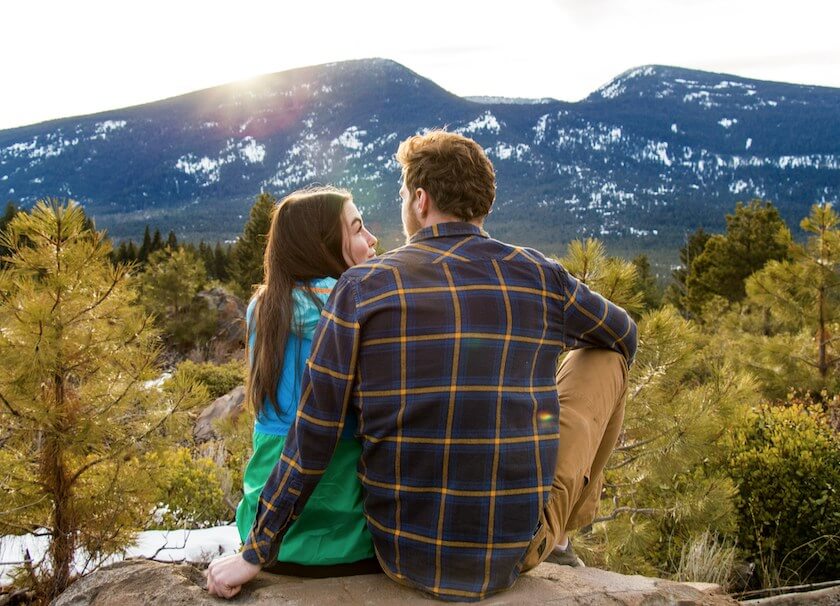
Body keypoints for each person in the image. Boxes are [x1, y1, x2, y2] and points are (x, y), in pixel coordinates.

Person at [207, 132, 637, 602]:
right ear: (482, 203)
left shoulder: (360, 288)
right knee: (606, 354)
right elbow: (623, 335)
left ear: (420, 199)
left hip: (401, 553)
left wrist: (256, 550)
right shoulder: (540, 275)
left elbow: (315, 430)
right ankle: (566, 528)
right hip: (512, 552)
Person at [224, 187, 379, 587]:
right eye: (359, 229)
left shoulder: (264, 307)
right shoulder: (361, 306)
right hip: (353, 542)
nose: (372, 239)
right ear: (324, 243)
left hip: (270, 538)